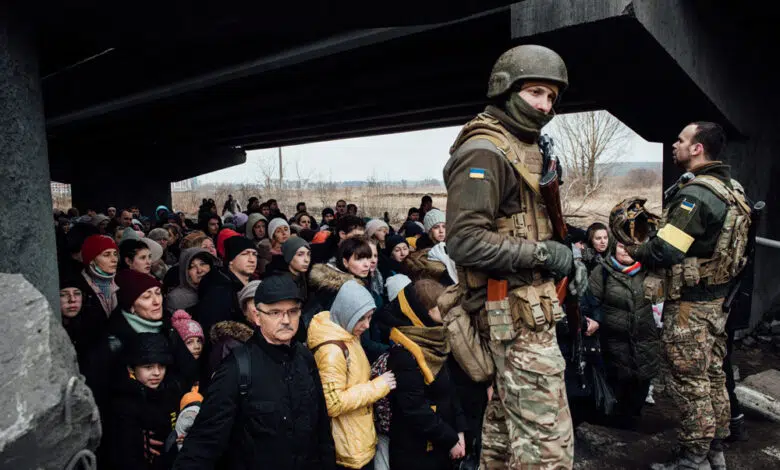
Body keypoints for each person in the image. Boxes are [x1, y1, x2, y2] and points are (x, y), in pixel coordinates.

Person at [444, 44, 587, 468]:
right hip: (514, 315)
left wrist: (565, 258)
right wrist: (546, 253)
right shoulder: (485, 152)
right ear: (506, 90)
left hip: (526, 312)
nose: (545, 106)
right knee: (548, 450)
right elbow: (465, 241)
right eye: (536, 92)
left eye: (551, 98)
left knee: (506, 435)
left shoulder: (521, 146)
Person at [625, 122, 752, 470]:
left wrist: (635, 248)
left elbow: (665, 251)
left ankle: (692, 458)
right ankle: (714, 453)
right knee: (712, 377)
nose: (674, 145)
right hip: (716, 305)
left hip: (691, 308)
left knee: (688, 382)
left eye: (680, 140)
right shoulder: (732, 189)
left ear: (697, 148)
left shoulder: (696, 195)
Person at [173, 275, 336, 470]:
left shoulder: (305, 358)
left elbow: (322, 431)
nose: (286, 320)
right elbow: (204, 443)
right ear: (257, 317)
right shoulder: (237, 368)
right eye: (275, 313)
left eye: (292, 311)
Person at [308, 280, 396, 470]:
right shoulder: (332, 351)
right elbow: (333, 403)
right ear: (347, 313)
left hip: (358, 434)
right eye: (361, 318)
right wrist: (378, 386)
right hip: (348, 445)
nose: (366, 325)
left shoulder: (348, 335)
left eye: (370, 317)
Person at [381, 280, 468, 470]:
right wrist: (450, 439)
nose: (445, 313)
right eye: (440, 308)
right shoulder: (404, 354)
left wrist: (459, 430)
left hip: (440, 444)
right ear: (423, 312)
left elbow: (449, 388)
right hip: (417, 453)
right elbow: (415, 409)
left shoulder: (435, 341)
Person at [582, 240, 660, 428]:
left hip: (645, 342)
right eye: (620, 246)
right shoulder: (602, 272)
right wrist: (597, 320)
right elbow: (589, 303)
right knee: (616, 385)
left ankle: (633, 423)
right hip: (613, 343)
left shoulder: (651, 272)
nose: (625, 251)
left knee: (640, 385)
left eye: (630, 247)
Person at [103, 333, 183, 470]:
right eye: (148, 367)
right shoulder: (122, 403)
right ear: (131, 369)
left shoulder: (171, 392)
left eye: (162, 366)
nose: (157, 373)